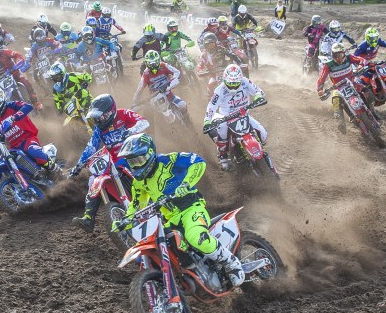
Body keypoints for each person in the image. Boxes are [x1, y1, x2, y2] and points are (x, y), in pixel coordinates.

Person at [116, 133, 246, 295]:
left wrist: (186, 183)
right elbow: (136, 206)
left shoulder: (168, 160)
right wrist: (124, 220)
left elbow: (197, 162)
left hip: (191, 208)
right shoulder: (139, 183)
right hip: (170, 220)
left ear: (150, 154)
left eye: (139, 160)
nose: (136, 166)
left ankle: (231, 262)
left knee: (195, 236)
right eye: (132, 162)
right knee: (155, 248)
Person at [66, 93, 150, 230]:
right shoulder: (99, 129)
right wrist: (79, 165)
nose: (99, 119)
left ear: (110, 111)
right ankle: (88, 217)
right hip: (114, 162)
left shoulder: (124, 114)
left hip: (133, 155)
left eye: (101, 116)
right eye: (97, 117)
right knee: (93, 180)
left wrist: (130, 131)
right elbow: (91, 147)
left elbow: (144, 122)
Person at [0, 85, 58, 212]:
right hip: (14, 146)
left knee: (33, 151)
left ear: (0, 99)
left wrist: (13, 117)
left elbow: (28, 106)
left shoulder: (12, 105)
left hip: (28, 138)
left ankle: (56, 170)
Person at [203, 64, 267, 169]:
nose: (233, 86)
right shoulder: (220, 90)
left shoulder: (245, 82)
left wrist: (259, 96)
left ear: (240, 80)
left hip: (243, 114)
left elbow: (258, 91)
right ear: (224, 80)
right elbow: (211, 107)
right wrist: (207, 121)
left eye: (236, 83)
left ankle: (257, 150)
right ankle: (222, 156)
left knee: (263, 135)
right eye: (230, 84)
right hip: (226, 117)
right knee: (222, 130)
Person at [316, 42, 369, 127]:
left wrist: (360, 66)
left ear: (344, 53)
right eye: (336, 55)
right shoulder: (328, 65)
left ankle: (371, 110)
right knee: (336, 101)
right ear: (332, 54)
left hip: (352, 82)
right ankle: (340, 122)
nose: (338, 57)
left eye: (340, 54)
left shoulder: (349, 57)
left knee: (367, 92)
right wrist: (320, 90)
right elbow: (321, 79)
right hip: (338, 87)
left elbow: (362, 59)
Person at [0, 41, 39, 106]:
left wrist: (19, 62)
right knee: (1, 97)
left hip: (14, 74)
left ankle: (35, 102)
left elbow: (17, 55)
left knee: (25, 82)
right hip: (1, 81)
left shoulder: (4, 52)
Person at [131, 51, 186, 115]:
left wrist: (171, 83)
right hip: (155, 98)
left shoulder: (164, 65)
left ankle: (188, 121)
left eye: (155, 62)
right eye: (151, 63)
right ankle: (153, 124)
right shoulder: (146, 74)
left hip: (169, 95)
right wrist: (134, 102)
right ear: (147, 63)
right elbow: (139, 89)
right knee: (147, 113)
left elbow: (177, 72)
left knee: (182, 105)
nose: (153, 65)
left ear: (158, 60)